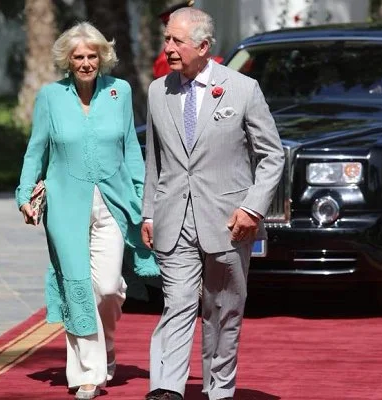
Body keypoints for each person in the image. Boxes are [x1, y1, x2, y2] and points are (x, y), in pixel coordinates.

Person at [141, 7, 285, 400]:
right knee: (178, 303)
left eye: (176, 41)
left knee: (222, 310)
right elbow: (155, 159)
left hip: (228, 221)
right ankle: (166, 388)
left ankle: (218, 388)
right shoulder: (158, 91)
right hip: (174, 218)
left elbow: (272, 155)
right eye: (166, 38)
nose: (167, 47)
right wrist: (149, 211)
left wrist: (253, 208)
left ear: (203, 47)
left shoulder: (242, 89)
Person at [16, 22, 159, 400]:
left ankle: (105, 346)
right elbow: (36, 150)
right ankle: (87, 374)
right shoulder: (50, 97)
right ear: (68, 60)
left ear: (102, 57)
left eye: (92, 55)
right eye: (78, 57)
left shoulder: (120, 92)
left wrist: (144, 201)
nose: (85, 63)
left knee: (108, 289)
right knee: (77, 285)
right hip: (64, 205)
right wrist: (24, 196)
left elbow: (131, 146)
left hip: (113, 200)